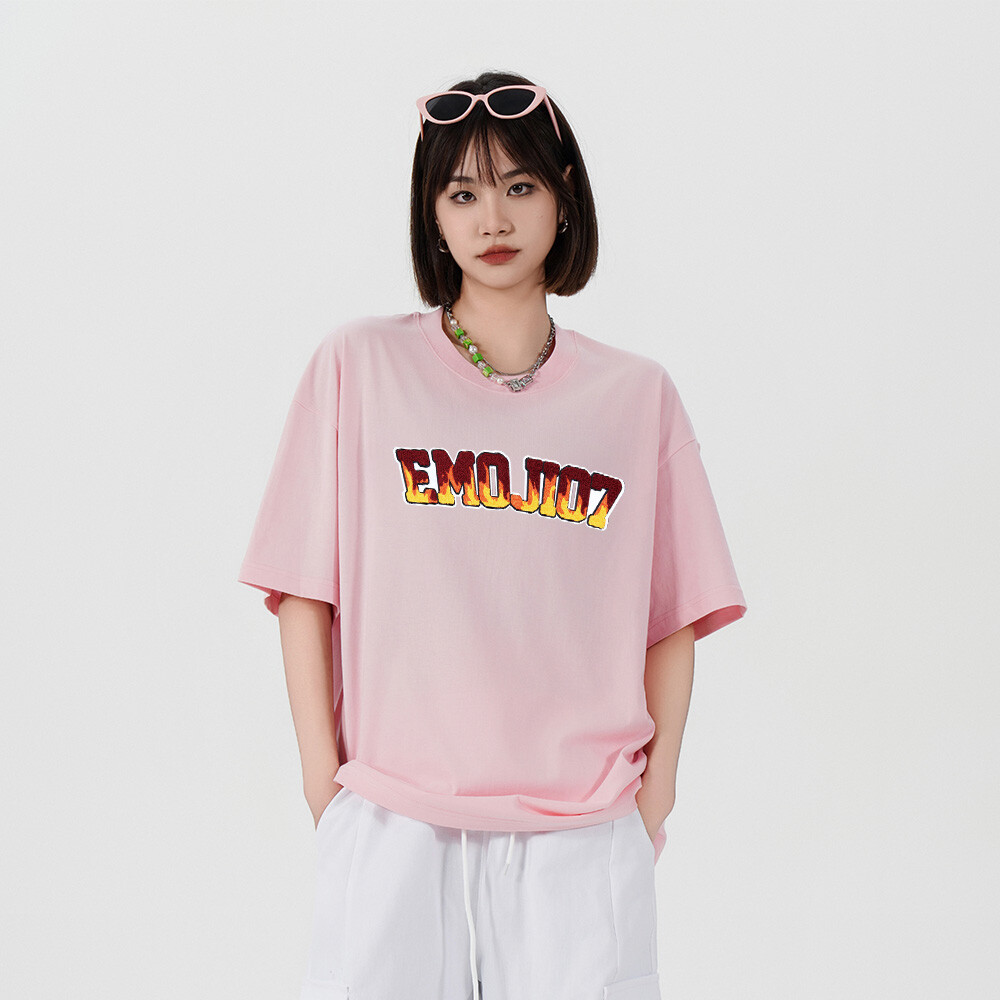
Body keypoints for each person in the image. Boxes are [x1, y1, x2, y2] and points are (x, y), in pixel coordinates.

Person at [237, 69, 747, 1000]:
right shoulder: (360, 365)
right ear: (432, 214)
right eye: (462, 194)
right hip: (393, 815)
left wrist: (656, 792)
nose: (493, 219)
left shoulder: (635, 396)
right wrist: (326, 784)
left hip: (581, 828)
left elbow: (672, 615)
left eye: (519, 186)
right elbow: (303, 589)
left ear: (564, 196)